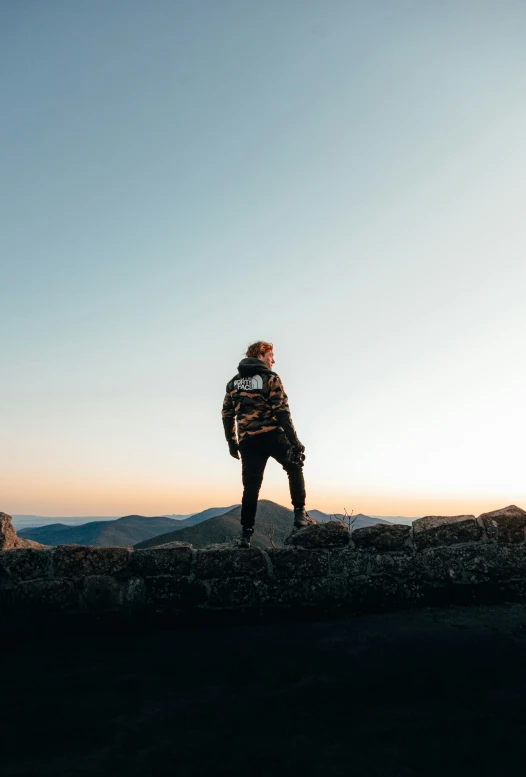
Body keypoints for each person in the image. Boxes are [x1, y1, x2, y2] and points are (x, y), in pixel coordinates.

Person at [221, 340, 315, 548]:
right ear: (261, 354)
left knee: (251, 487)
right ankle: (300, 515)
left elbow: (227, 414)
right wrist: (294, 440)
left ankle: (245, 535)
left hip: (248, 441)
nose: (273, 360)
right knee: (294, 466)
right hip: (273, 434)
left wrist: (232, 442)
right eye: (271, 355)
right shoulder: (270, 378)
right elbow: (282, 411)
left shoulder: (233, 383)